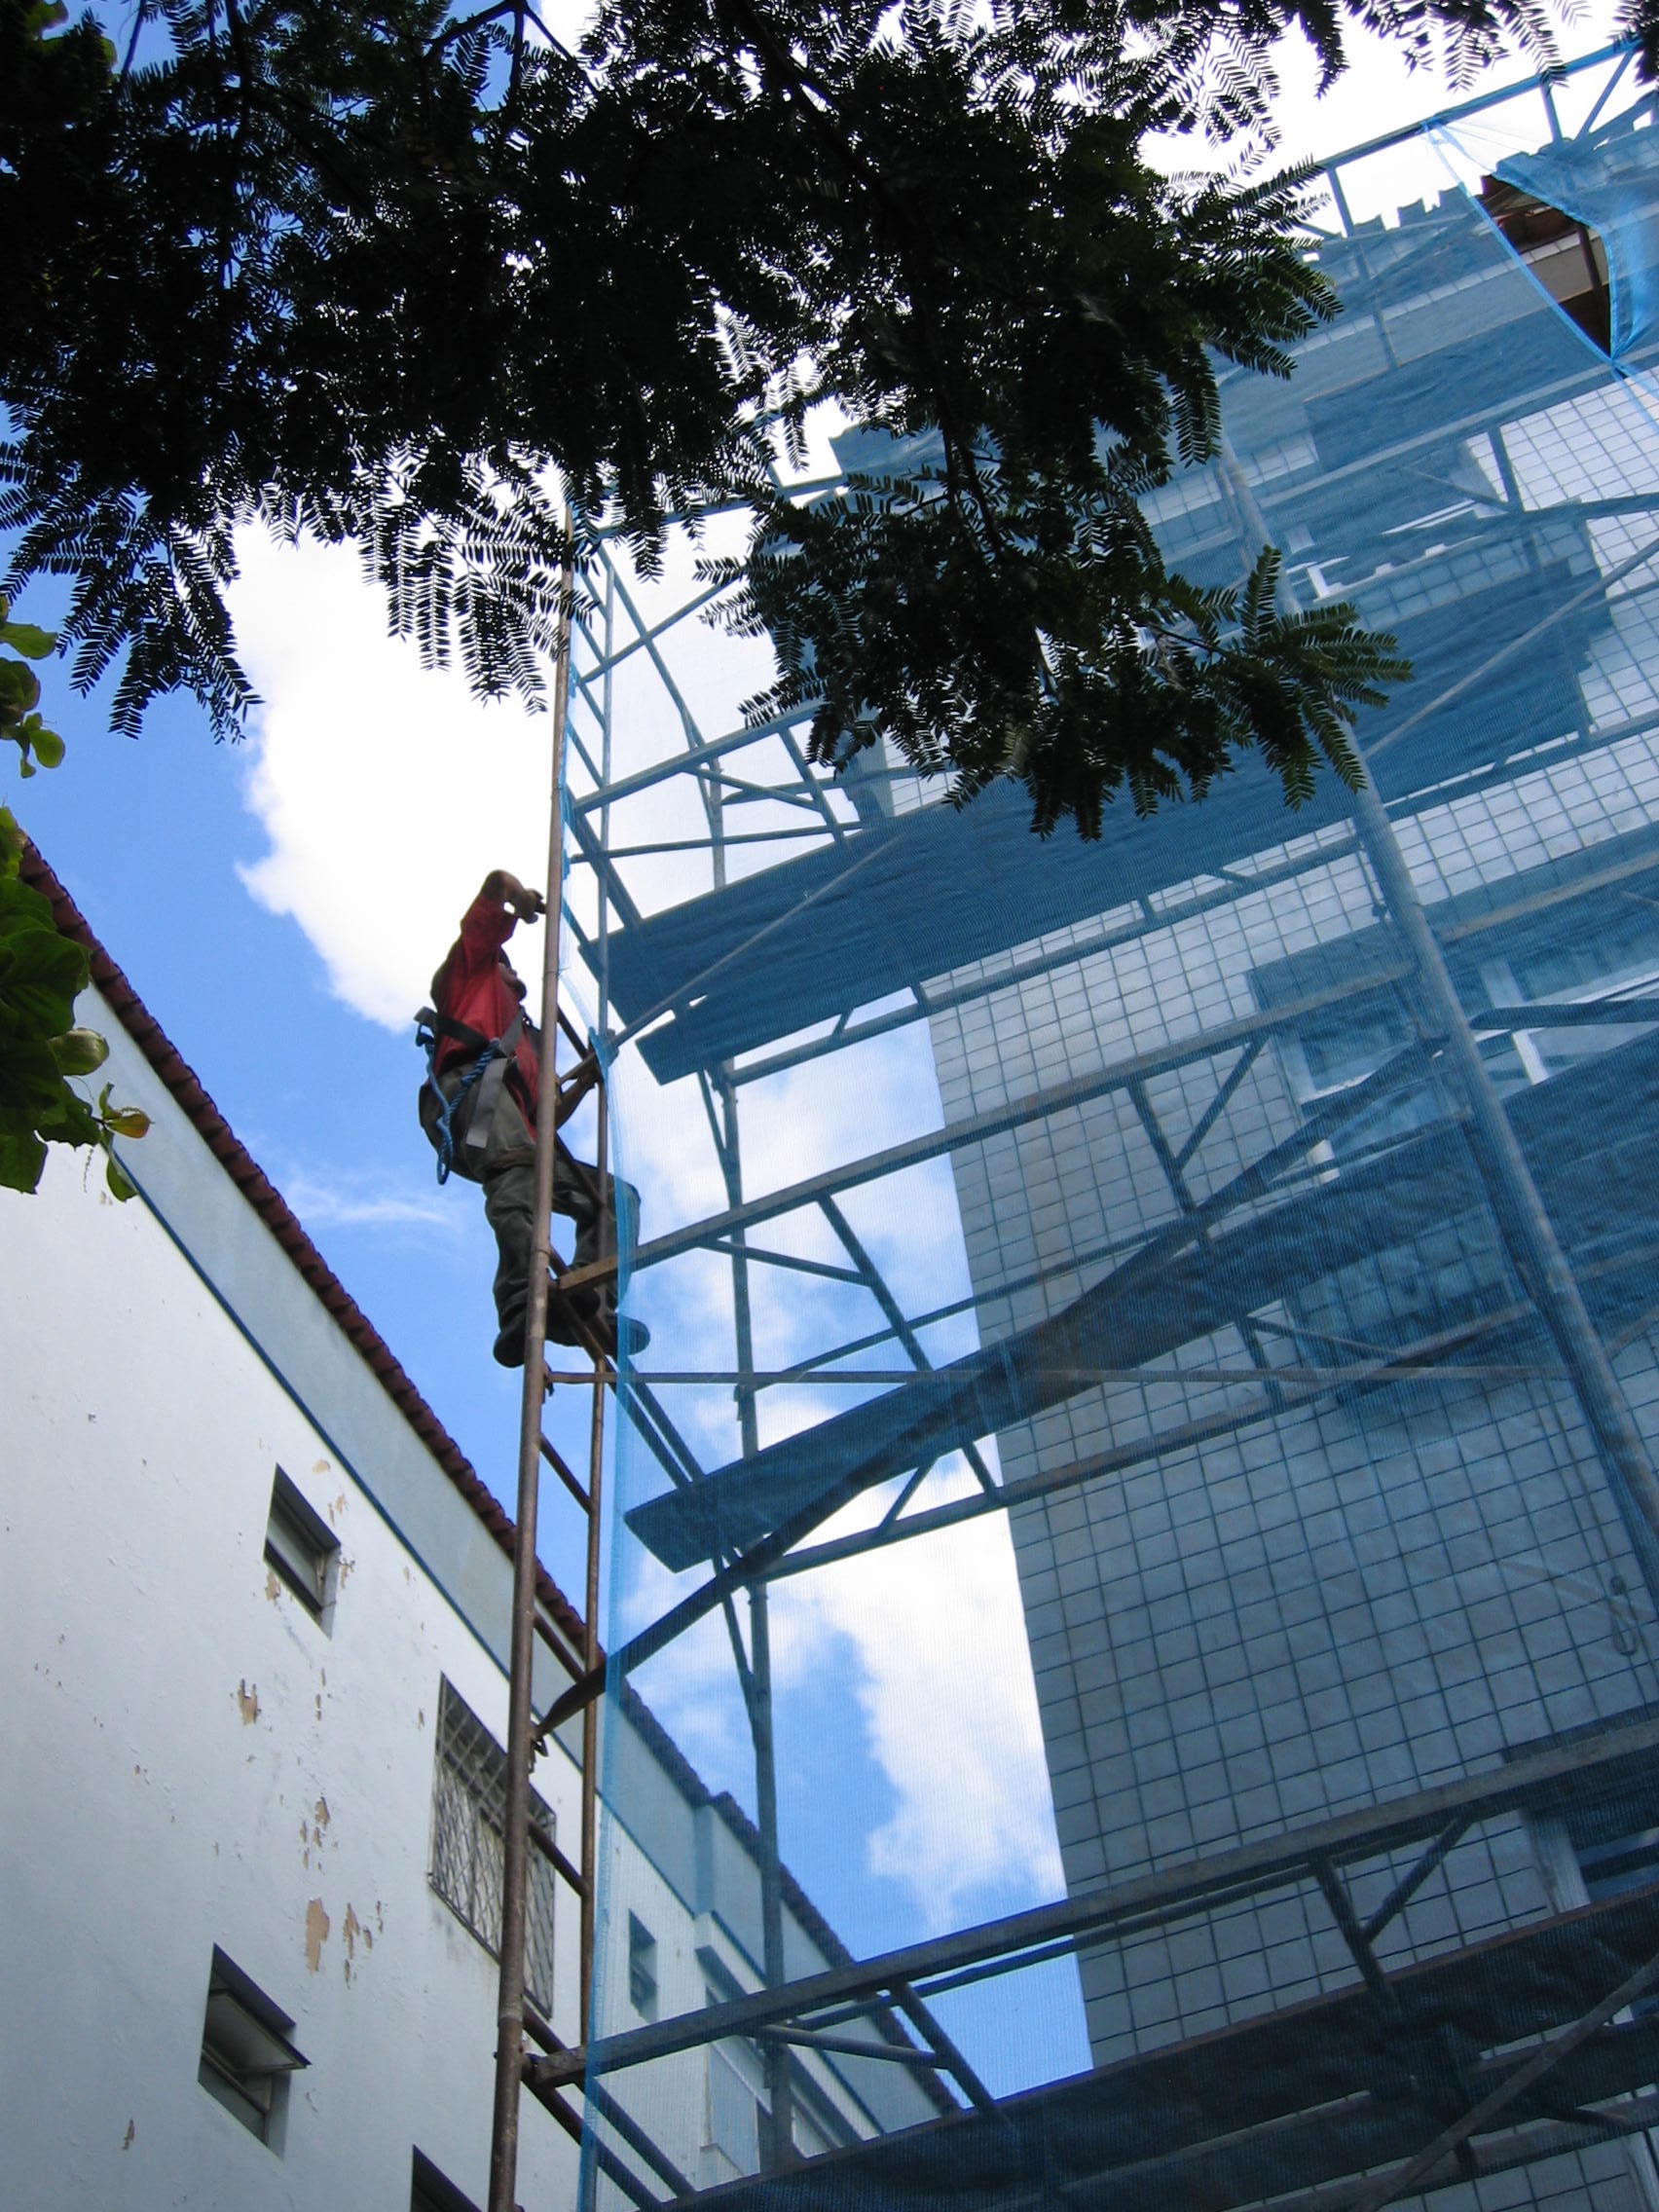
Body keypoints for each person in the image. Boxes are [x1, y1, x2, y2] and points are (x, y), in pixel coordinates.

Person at [419, 868, 646, 1368]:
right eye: (508, 966)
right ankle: (522, 1299)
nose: (515, 975)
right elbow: (492, 887)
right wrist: (516, 898)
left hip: (511, 1123)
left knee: (616, 1200)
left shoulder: (528, 1039)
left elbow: (544, 1118)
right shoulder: (468, 976)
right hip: (470, 1098)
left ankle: (591, 1299)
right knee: (517, 1169)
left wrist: (586, 1079)